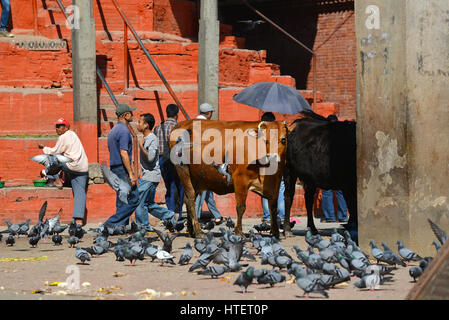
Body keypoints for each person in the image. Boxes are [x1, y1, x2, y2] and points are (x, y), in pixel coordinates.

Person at [135, 113, 184, 232]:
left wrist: (141, 146)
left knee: (139, 202)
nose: (138, 124)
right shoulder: (147, 138)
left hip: (150, 177)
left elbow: (151, 158)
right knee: (149, 204)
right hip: (149, 176)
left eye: (140, 122)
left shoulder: (152, 139)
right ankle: (171, 216)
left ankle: (143, 228)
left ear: (146, 125)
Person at [38, 118, 88, 225]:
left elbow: (54, 152)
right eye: (56, 126)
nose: (57, 129)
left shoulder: (64, 137)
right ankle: (79, 220)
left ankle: (57, 180)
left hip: (72, 166)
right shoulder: (73, 135)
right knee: (80, 193)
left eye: (60, 126)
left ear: (66, 127)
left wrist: (44, 148)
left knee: (51, 158)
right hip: (83, 168)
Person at [103, 104, 140, 227]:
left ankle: (120, 227)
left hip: (114, 167)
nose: (132, 115)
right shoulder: (124, 131)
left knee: (122, 199)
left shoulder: (113, 131)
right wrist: (131, 173)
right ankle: (110, 224)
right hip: (122, 168)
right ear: (125, 115)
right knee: (134, 199)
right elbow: (124, 153)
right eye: (130, 113)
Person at [153, 104, 185, 222]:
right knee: (180, 187)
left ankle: (169, 214)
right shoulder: (179, 128)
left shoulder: (158, 128)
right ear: (177, 114)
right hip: (177, 160)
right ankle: (178, 213)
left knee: (169, 186)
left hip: (162, 160)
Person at [195, 103, 223, 224]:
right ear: (209, 113)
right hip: (205, 161)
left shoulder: (192, 123)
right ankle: (195, 217)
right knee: (202, 190)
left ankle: (217, 215)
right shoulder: (207, 125)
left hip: (195, 161)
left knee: (207, 190)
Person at [321, 114, 348, 223]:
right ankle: (343, 216)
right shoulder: (343, 135)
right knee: (341, 191)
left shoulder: (323, 135)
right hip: (340, 165)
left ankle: (330, 216)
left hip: (326, 165)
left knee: (327, 191)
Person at [259, 112, 285, 223]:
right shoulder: (278, 132)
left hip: (264, 163)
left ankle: (267, 216)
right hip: (277, 163)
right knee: (280, 188)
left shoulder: (260, 133)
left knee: (265, 190)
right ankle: (281, 216)